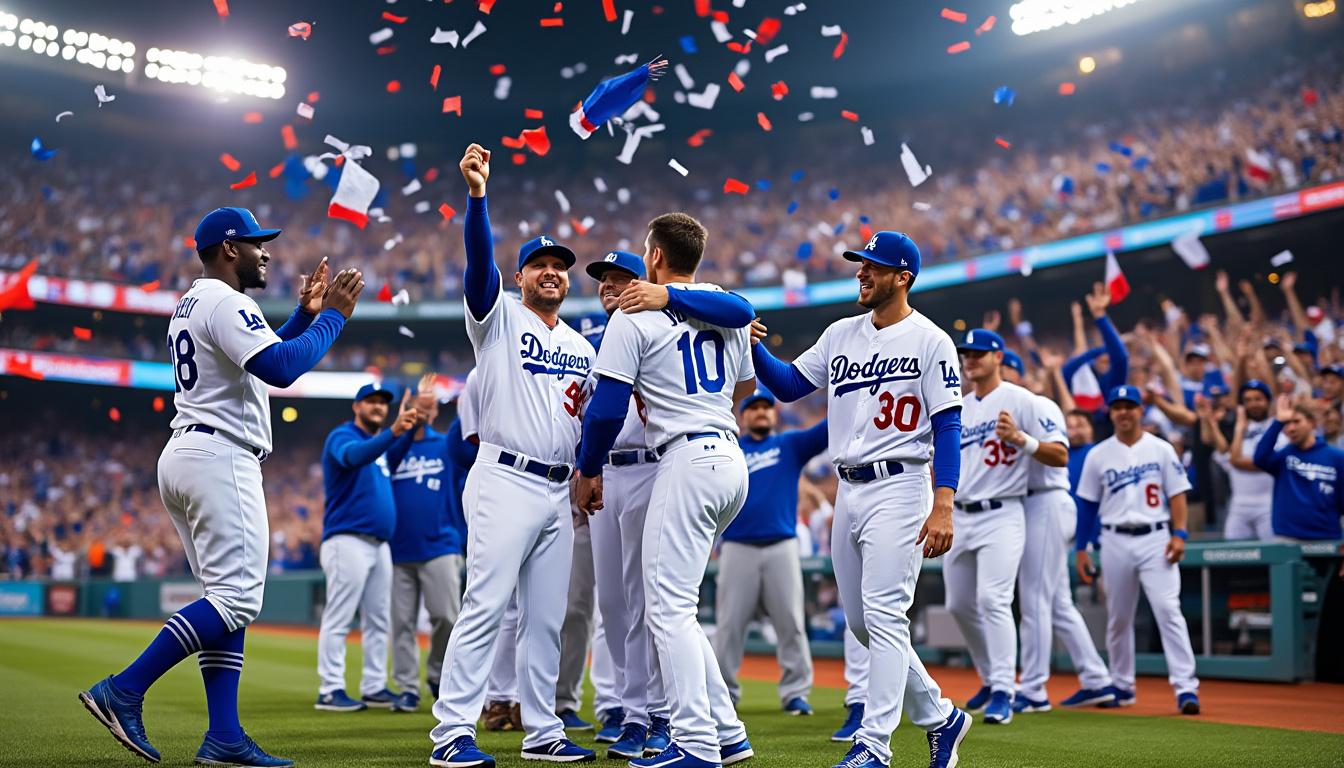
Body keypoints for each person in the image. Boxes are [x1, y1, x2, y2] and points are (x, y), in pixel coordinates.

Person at [80, 206, 362, 767]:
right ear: (230, 249)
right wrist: (333, 318)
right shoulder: (228, 300)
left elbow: (255, 361)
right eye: (257, 243)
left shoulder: (195, 301)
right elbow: (281, 370)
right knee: (236, 599)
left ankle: (225, 737)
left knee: (225, 603)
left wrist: (305, 317)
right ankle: (125, 689)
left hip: (188, 451)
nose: (267, 252)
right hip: (220, 455)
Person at [750, 231, 971, 768]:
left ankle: (874, 745)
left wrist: (944, 503)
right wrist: (750, 344)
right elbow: (785, 386)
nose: (861, 273)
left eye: (872, 266)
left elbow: (947, 427)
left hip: (901, 485)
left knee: (886, 615)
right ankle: (941, 716)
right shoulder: (840, 333)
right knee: (862, 623)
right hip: (849, 489)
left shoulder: (931, 340)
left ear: (903, 277)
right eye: (860, 265)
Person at [429, 144, 596, 767]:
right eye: (539, 265)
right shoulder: (495, 317)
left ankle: (542, 729)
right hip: (503, 478)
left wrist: (588, 477)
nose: (550, 272)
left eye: (559, 266)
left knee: (547, 618)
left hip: (558, 490)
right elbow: (478, 264)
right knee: (487, 605)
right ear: (521, 276)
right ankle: (451, 733)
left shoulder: (581, 345)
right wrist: (477, 197)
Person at [574, 212, 757, 768]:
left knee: (666, 609)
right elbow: (746, 382)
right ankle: (727, 733)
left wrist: (588, 469)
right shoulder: (720, 307)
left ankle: (696, 744)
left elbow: (604, 410)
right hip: (727, 457)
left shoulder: (632, 312)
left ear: (653, 255)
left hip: (685, 457)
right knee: (675, 605)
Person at [948, 328, 1069, 725]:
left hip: (1004, 511)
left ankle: (1004, 688)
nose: (971, 359)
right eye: (966, 353)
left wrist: (1023, 440)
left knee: (993, 599)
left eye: (979, 353)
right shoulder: (958, 405)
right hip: (961, 512)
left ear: (999, 356)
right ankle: (989, 677)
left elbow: (1061, 455)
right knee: (959, 605)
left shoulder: (1024, 401)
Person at [999, 353, 1114, 711]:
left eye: (1004, 371)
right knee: (1058, 603)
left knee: (1034, 599)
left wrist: (1019, 438)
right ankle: (1097, 679)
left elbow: (1060, 455)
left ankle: (1033, 689)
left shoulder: (1036, 405)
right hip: (1032, 503)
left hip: (1046, 500)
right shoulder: (998, 410)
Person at [1076, 385, 1200, 715]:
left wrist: (1181, 534)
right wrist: (1081, 548)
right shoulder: (1098, 454)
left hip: (1156, 537)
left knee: (1168, 610)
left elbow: (1177, 494)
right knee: (1118, 617)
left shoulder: (1160, 449)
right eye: (1117, 406)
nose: (1124, 412)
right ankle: (1122, 685)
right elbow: (1087, 506)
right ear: (1111, 413)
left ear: (1140, 410)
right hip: (1114, 538)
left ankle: (1186, 687)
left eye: (1129, 405)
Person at [712, 389, 827, 716]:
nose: (761, 412)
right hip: (737, 546)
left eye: (766, 408)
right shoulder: (729, 448)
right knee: (729, 627)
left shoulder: (789, 444)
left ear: (774, 415)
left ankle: (795, 692)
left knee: (791, 622)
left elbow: (827, 430)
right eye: (754, 408)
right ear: (743, 416)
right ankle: (724, 695)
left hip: (781, 545)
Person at [315, 383, 420, 711]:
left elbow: (390, 456)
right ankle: (330, 689)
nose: (377, 406)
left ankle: (374, 685)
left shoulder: (379, 447)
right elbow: (352, 457)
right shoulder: (342, 436)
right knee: (340, 616)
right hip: (346, 539)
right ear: (356, 406)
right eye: (370, 401)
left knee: (378, 620)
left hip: (379, 545)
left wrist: (407, 427)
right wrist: (393, 431)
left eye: (382, 403)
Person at [388, 373, 469, 712]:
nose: (424, 412)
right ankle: (407, 686)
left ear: (436, 412)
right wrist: (405, 426)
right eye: (418, 406)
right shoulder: (391, 444)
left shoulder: (445, 446)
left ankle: (437, 674)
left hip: (441, 543)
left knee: (447, 617)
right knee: (401, 623)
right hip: (397, 547)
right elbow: (383, 467)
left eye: (429, 407)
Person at [1253, 396, 1344, 542]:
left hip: (1327, 538)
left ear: (1312, 423)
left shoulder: (1337, 457)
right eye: (1287, 424)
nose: (1291, 428)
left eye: (1296, 421)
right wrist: (1277, 422)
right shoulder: (1284, 456)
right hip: (1288, 537)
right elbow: (1260, 458)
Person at [1207, 380, 1279, 540]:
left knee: (1273, 555)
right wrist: (1239, 428)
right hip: (1238, 504)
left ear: (1268, 401)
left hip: (1269, 504)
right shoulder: (1237, 428)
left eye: (1258, 399)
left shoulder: (1277, 427)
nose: (1253, 404)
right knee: (1233, 557)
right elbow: (1226, 458)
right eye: (1248, 400)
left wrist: (1238, 461)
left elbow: (1264, 464)